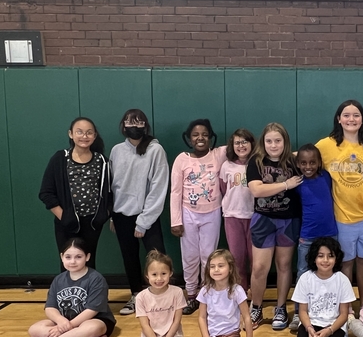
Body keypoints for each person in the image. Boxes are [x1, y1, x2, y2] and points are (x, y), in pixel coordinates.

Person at [316, 100, 363, 309]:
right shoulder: (326, 145)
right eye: (346, 115)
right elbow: (305, 158)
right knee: (345, 262)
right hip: (341, 217)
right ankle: (346, 306)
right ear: (339, 119)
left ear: (362, 119)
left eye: (356, 115)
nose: (351, 119)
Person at [6, 238, 115, 337]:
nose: (73, 261)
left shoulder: (96, 279)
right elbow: (50, 308)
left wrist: (69, 326)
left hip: (93, 320)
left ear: (88, 257)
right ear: (61, 257)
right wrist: (61, 321)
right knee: (34, 330)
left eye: (78, 257)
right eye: (68, 257)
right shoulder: (58, 279)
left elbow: (92, 310)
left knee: (91, 328)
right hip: (64, 322)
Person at [109, 109, 169, 316]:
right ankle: (136, 295)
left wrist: (143, 221)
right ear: (123, 125)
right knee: (129, 257)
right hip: (121, 215)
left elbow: (158, 187)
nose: (134, 125)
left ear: (145, 125)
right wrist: (112, 214)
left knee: (157, 257)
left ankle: (162, 298)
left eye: (139, 122)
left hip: (147, 215)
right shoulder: (116, 150)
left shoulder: (155, 150)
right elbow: (113, 185)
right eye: (129, 121)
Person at [246, 123, 303, 330]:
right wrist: (286, 185)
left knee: (284, 265)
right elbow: (257, 190)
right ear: (263, 142)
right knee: (260, 267)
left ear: (285, 142)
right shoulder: (256, 161)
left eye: (278, 140)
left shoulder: (293, 161)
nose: (273, 145)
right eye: (269, 141)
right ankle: (256, 307)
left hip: (288, 220)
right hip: (263, 219)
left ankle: (280, 308)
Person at [170, 119, 228, 315]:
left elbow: (244, 145)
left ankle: (207, 294)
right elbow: (175, 192)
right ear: (189, 138)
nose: (200, 138)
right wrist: (175, 220)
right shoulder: (182, 159)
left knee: (208, 255)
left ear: (211, 137)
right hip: (188, 213)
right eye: (195, 135)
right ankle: (192, 295)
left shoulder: (219, 154)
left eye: (204, 134)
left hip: (212, 212)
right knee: (190, 257)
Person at [39, 117, 111, 270]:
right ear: (70, 134)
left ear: (95, 136)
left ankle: (90, 293)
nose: (84, 136)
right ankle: (69, 294)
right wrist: (64, 217)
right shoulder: (60, 159)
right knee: (69, 263)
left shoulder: (102, 161)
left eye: (89, 133)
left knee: (88, 262)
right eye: (79, 132)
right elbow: (46, 192)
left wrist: (104, 215)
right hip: (66, 222)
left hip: (92, 223)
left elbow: (110, 192)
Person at [191, 249, 273, 337]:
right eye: (212, 267)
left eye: (220, 266)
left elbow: (246, 317)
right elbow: (202, 317)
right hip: (212, 335)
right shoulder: (205, 291)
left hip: (230, 334)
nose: (216, 270)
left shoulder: (237, 290)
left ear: (230, 268)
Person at [290, 144, 338, 332]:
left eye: (312, 162)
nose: (308, 166)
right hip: (307, 236)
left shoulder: (326, 176)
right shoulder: (298, 182)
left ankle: (328, 309)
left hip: (330, 234)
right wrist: (295, 156)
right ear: (298, 163)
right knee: (303, 273)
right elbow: (290, 156)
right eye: (303, 163)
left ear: (319, 163)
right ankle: (297, 312)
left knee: (330, 273)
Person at [291, 237, 356, 337]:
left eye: (330, 256)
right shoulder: (306, 278)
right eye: (321, 256)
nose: (325, 260)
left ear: (336, 259)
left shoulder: (342, 280)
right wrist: (309, 328)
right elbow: (303, 311)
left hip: (333, 325)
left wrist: (329, 331)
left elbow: (344, 314)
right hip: (311, 323)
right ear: (314, 258)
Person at [135, 250, 186, 337]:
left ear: (170, 273)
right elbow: (145, 325)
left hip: (172, 336)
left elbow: (176, 321)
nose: (159, 279)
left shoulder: (177, 292)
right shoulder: (141, 297)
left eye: (163, 273)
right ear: (147, 275)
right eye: (154, 274)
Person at [218, 128, 256, 291]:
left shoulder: (258, 163)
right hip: (232, 217)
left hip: (255, 217)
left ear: (251, 144)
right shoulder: (226, 166)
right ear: (232, 146)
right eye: (237, 143)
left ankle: (256, 295)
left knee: (256, 259)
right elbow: (223, 189)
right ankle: (241, 292)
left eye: (244, 142)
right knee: (237, 258)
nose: (241, 146)